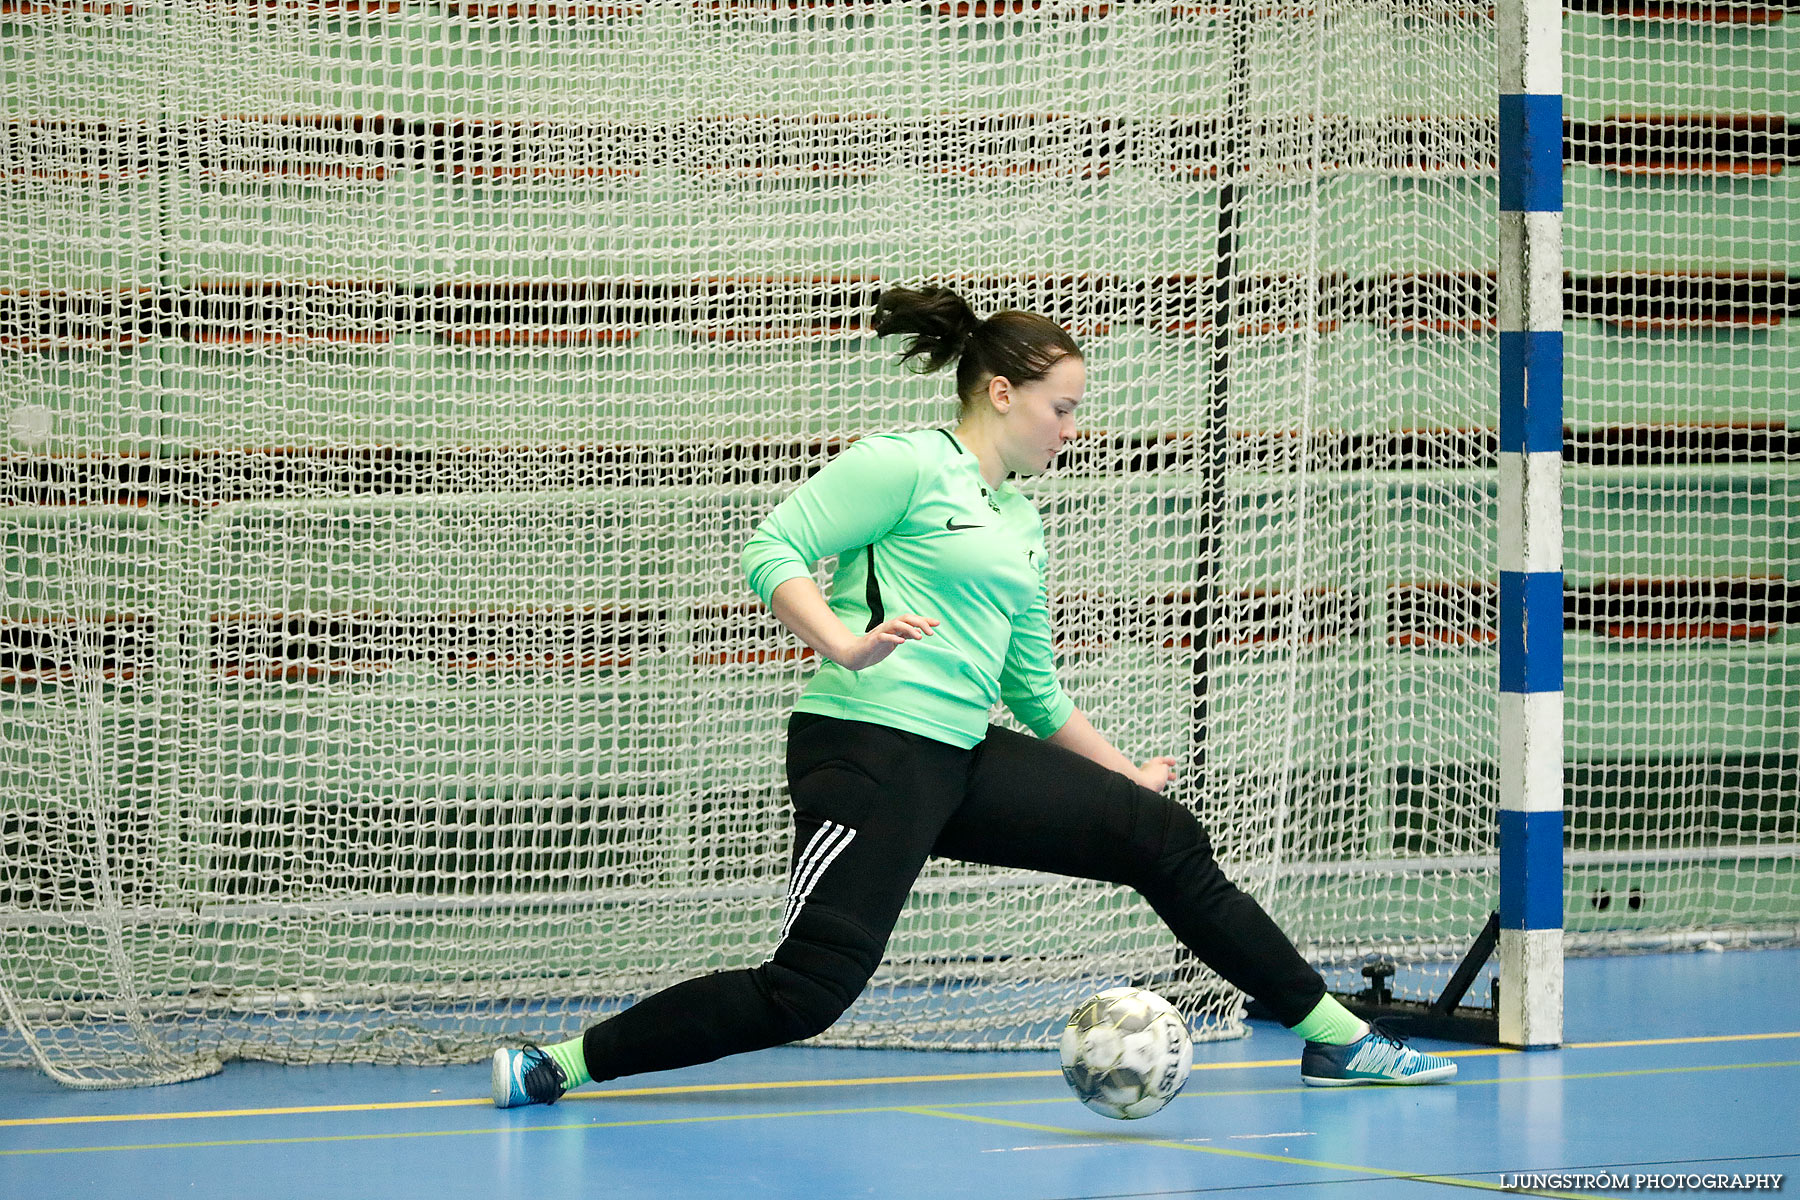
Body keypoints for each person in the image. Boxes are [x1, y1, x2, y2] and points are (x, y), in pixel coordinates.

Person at [492, 285, 1455, 1108]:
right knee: (807, 992)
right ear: (1002, 392)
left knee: (1160, 836)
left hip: (959, 752)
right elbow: (772, 549)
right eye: (1063, 408)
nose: (1073, 430)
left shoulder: (1022, 520)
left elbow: (1030, 689)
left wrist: (1127, 775)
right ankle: (559, 1066)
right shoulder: (904, 464)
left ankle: (1335, 1036)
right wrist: (842, 641)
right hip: (866, 747)